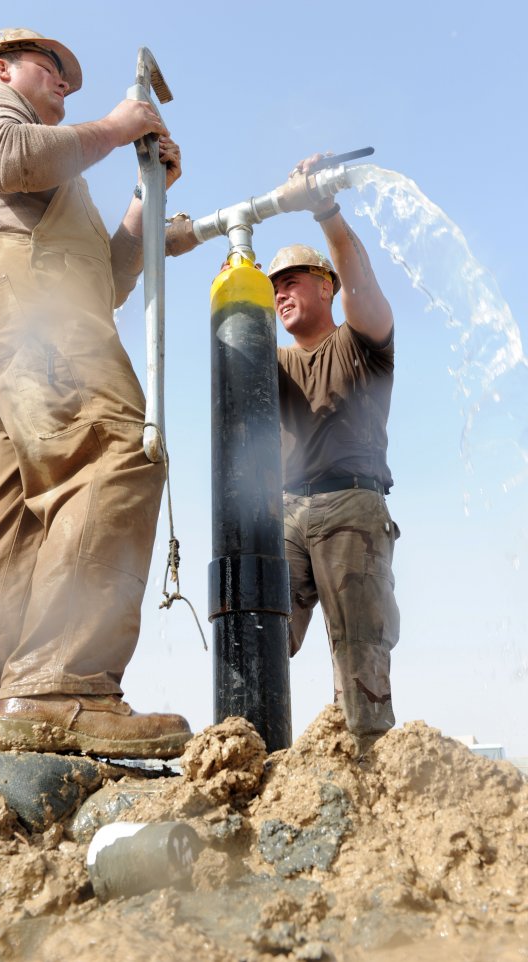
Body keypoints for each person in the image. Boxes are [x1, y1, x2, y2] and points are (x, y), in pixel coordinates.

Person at [0, 28, 191, 759]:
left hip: (41, 332)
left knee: (23, 526)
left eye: (70, 76)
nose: (66, 82)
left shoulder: (68, 179)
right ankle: (62, 688)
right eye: (51, 68)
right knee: (117, 454)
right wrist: (119, 126)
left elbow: (108, 277)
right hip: (39, 329)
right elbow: (11, 161)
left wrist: (144, 204)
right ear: (2, 68)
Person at [268, 154, 400, 759]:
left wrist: (326, 211)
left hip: (352, 503)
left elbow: (364, 285)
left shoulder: (361, 343)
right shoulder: (271, 362)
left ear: (326, 286)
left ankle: (371, 760)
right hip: (290, 509)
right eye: (273, 288)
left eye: (291, 279)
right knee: (261, 628)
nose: (281, 293)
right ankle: (257, 752)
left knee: (357, 644)